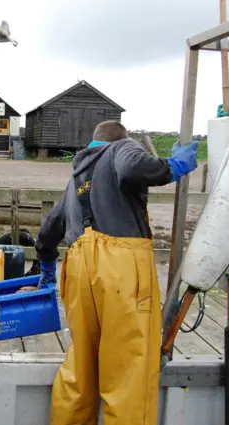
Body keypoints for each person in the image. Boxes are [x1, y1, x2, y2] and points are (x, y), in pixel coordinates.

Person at [35, 121, 199, 425]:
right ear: (118, 141)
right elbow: (133, 168)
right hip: (120, 267)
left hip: (79, 269)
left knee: (80, 368)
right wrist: (174, 165)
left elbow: (47, 234)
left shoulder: (74, 181)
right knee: (128, 372)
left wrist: (46, 267)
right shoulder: (121, 148)